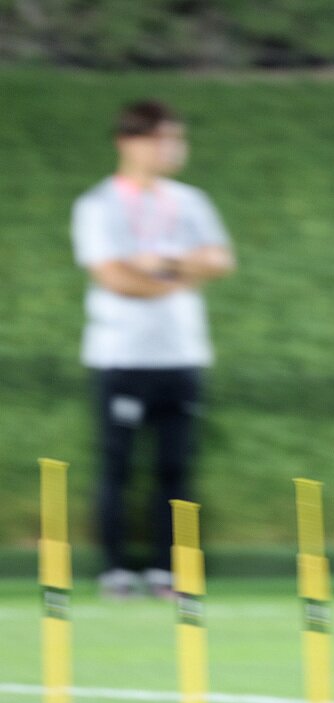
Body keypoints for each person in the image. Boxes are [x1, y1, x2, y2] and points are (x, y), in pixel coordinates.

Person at [71, 100, 235, 600]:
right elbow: (114, 277)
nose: (172, 148)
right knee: (117, 469)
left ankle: (169, 570)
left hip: (182, 355)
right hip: (120, 356)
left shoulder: (191, 201)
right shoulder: (98, 204)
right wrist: (181, 273)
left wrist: (161, 264)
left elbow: (220, 260)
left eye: (177, 139)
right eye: (161, 138)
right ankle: (116, 571)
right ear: (128, 141)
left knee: (176, 470)